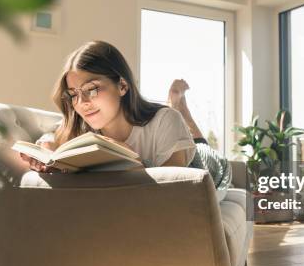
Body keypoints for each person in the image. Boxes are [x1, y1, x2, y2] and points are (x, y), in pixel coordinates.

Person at [19, 40, 231, 194]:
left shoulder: (166, 121)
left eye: (91, 89)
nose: (81, 103)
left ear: (122, 86)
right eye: (74, 94)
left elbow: (173, 193)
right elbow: (53, 134)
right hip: (169, 140)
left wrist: (132, 161)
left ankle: (179, 105)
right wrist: (46, 145)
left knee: (202, 146)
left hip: (206, 166)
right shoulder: (81, 126)